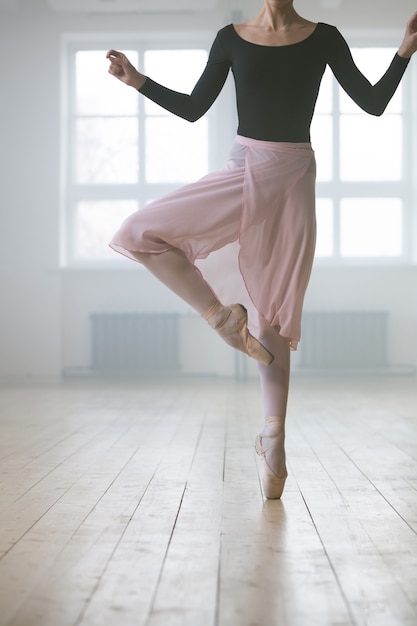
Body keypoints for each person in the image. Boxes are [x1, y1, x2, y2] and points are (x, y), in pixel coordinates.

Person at [106, 1, 417, 499]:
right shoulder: (232, 37)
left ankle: (272, 436)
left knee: (265, 306)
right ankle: (253, 386)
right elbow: (192, 107)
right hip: (271, 171)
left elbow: (373, 102)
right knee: (145, 234)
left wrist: (404, 50)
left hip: (280, 174)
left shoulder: (323, 36)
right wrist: (138, 80)